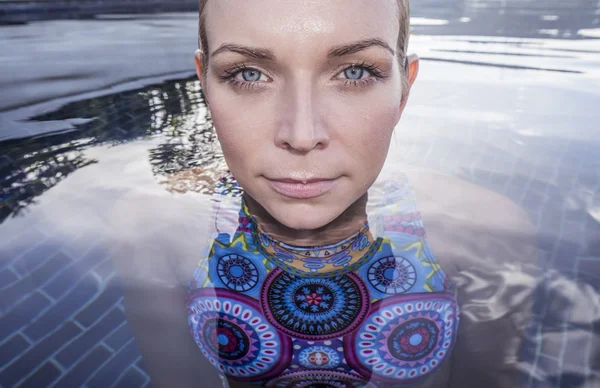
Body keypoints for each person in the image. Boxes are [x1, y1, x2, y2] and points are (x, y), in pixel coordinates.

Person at [111, 0, 543, 387]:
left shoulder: (484, 231)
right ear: (205, 82)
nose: (302, 135)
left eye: (355, 72)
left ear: (404, 89)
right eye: (247, 73)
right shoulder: (153, 230)